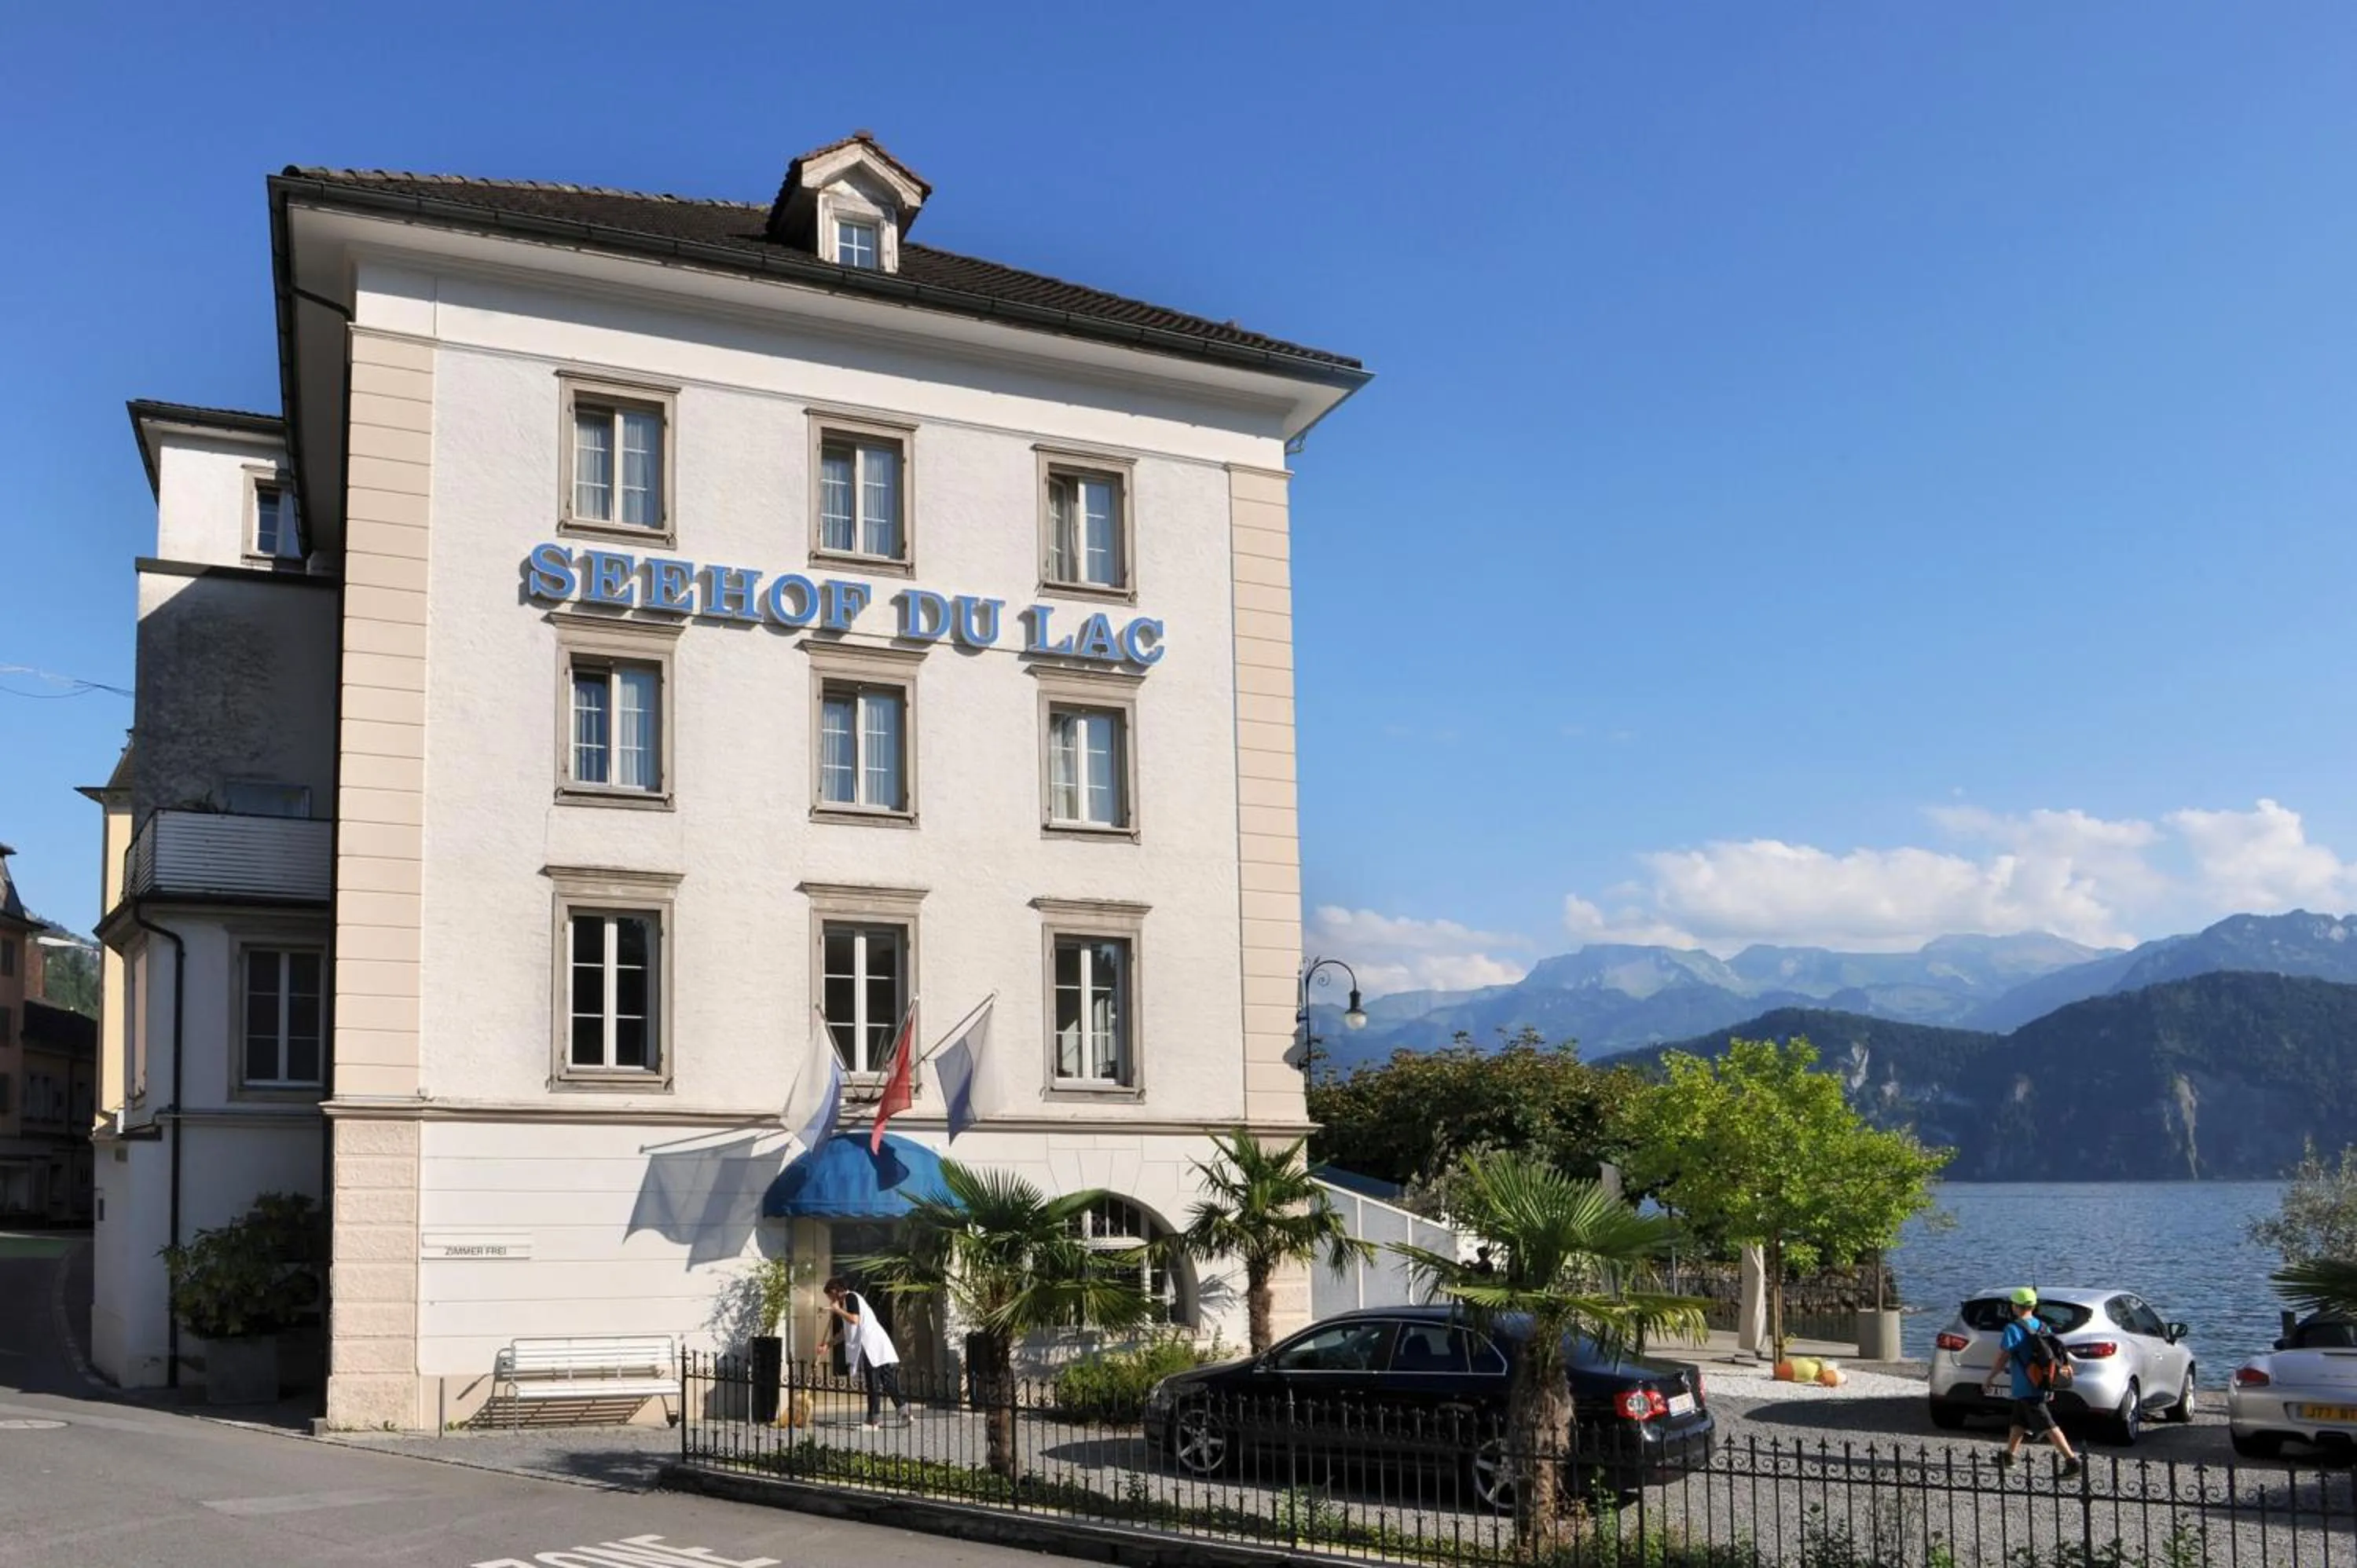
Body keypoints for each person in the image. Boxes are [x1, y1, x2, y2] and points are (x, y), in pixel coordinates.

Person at [1985, 1286, 2081, 1477]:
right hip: (2041, 1381)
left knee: (2047, 1424)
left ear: (2015, 1307)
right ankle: (2008, 1455)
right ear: (2033, 1306)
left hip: (2027, 1383)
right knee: (2019, 1419)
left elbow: (2004, 1355)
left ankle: (2072, 1461)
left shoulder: (2013, 1328)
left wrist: (1990, 1377)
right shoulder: (2043, 1326)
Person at [824, 1275, 910, 1428]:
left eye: (830, 1296)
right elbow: (846, 1332)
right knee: (887, 1380)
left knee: (873, 1382)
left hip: (871, 1344)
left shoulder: (850, 1297)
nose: (830, 1301)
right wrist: (827, 1345)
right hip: (876, 1343)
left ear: (835, 1291)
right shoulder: (848, 1303)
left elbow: (854, 1320)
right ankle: (905, 1414)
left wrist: (837, 1311)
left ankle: (873, 1420)